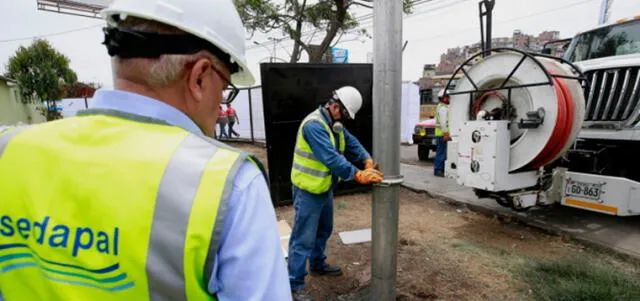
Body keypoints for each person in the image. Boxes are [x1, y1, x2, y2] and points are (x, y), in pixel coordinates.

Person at [0, 0, 291, 300]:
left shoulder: (9, 151)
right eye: (225, 88)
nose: (220, 107)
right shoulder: (228, 185)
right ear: (200, 76)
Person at [288, 86, 384, 301]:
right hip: (308, 189)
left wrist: (366, 158)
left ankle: (318, 264)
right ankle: (294, 284)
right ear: (334, 106)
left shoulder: (334, 123)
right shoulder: (314, 126)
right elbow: (331, 159)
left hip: (323, 187)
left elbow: (350, 141)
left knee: (324, 229)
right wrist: (358, 175)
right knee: (303, 238)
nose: (346, 120)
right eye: (345, 114)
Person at [434, 89, 451, 177]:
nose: (449, 99)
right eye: (448, 97)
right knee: (441, 153)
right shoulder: (443, 108)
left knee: (442, 153)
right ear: (444, 98)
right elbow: (444, 123)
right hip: (442, 135)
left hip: (441, 134)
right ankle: (438, 170)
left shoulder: (441, 107)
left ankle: (440, 169)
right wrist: (446, 134)